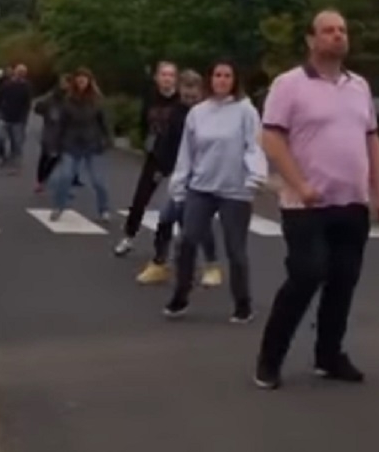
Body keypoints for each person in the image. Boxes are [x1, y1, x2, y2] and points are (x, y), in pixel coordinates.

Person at [253, 9, 379, 390]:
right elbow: (272, 138)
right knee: (307, 274)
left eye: (342, 30)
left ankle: (328, 355)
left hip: (351, 202)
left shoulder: (358, 86)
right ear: (311, 40)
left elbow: (371, 138)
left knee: (343, 280)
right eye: (328, 30)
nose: (337, 35)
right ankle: (269, 360)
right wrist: (299, 184)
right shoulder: (289, 85)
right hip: (307, 205)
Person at [162, 62, 266, 321]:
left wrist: (256, 175)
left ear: (234, 80)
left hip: (235, 190)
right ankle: (180, 297)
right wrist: (179, 182)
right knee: (187, 240)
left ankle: (243, 303)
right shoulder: (198, 113)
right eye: (217, 75)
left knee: (235, 249)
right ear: (210, 80)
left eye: (227, 76)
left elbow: (254, 146)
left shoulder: (245, 111)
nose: (222, 80)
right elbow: (187, 151)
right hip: (202, 188)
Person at [135, 69, 219, 287]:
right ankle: (161, 263)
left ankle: (210, 265)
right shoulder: (175, 113)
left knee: (199, 223)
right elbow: (167, 142)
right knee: (166, 218)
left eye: (194, 91)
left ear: (201, 91)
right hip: (180, 175)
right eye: (185, 91)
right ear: (180, 90)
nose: (189, 96)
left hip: (202, 177)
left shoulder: (208, 114)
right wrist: (161, 167)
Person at [113, 61, 186, 256]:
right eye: (163, 74)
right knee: (140, 199)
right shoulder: (150, 99)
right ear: (157, 78)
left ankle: (181, 245)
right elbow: (143, 124)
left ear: (176, 79)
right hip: (155, 155)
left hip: (179, 159)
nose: (167, 79)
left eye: (171, 75)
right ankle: (129, 236)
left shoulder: (182, 104)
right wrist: (146, 143)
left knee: (177, 203)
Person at [46, 69, 113, 222]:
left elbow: (104, 122)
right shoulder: (68, 101)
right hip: (71, 143)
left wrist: (108, 139)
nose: (81, 81)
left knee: (98, 180)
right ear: (75, 81)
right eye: (79, 78)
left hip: (92, 143)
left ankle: (104, 209)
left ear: (89, 81)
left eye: (84, 79)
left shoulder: (97, 101)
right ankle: (58, 207)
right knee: (65, 176)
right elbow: (60, 124)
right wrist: (54, 144)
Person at [34, 74, 71, 193]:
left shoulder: (73, 97)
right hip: (51, 130)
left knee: (57, 157)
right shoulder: (52, 96)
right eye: (63, 82)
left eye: (67, 82)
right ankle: (40, 180)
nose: (65, 85)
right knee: (45, 155)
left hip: (66, 132)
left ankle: (44, 178)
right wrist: (45, 110)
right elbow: (38, 108)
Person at [0, 64, 33, 174]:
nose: (20, 74)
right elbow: (0, 96)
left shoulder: (26, 86)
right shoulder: (7, 84)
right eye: (19, 72)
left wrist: (24, 118)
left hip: (18, 119)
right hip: (6, 116)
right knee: (0, 138)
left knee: (17, 142)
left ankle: (17, 166)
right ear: (15, 72)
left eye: (23, 72)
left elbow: (27, 103)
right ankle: (6, 157)